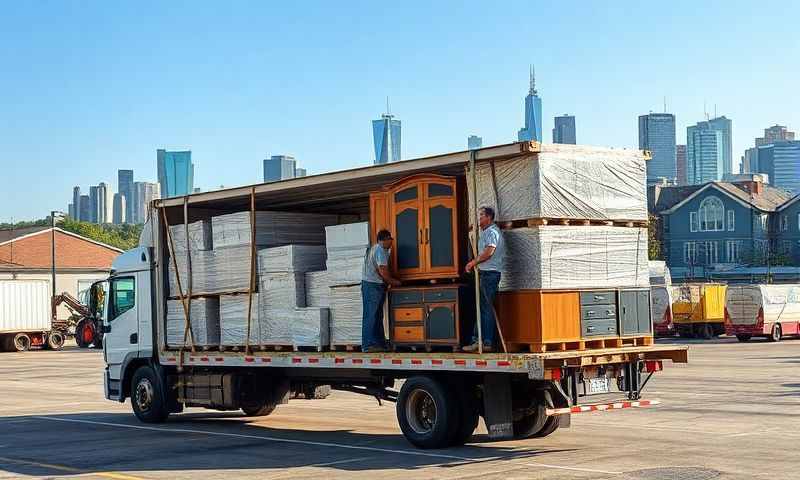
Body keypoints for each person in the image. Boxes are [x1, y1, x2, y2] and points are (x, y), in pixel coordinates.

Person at [463, 206, 505, 353]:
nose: (479, 220)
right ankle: (478, 340)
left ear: (488, 217)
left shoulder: (492, 232)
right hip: (487, 273)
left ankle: (484, 341)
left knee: (485, 308)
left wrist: (473, 262)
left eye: (481, 216)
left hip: (489, 274)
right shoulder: (487, 232)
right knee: (482, 308)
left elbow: (489, 252)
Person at [361, 229, 401, 353]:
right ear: (384, 240)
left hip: (371, 284)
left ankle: (378, 343)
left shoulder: (375, 249)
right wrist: (394, 282)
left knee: (376, 315)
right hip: (373, 285)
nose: (391, 243)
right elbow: (382, 271)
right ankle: (368, 345)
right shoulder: (380, 250)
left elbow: (380, 271)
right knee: (372, 315)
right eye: (390, 240)